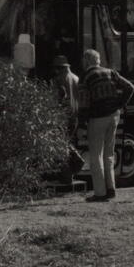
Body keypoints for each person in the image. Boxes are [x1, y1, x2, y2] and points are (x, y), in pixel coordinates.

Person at [79, 49, 134, 202]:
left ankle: (100, 192)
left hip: (98, 117)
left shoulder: (85, 77)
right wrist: (119, 104)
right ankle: (111, 189)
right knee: (109, 154)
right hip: (114, 115)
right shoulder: (110, 72)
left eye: (83, 60)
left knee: (96, 155)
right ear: (98, 61)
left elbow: (84, 103)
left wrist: (82, 125)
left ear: (86, 61)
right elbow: (130, 87)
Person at [51, 55, 83, 184]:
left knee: (61, 146)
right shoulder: (77, 78)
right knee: (69, 143)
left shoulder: (57, 80)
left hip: (62, 116)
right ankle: (71, 174)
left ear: (58, 68)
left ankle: (67, 176)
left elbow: (55, 99)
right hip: (74, 117)